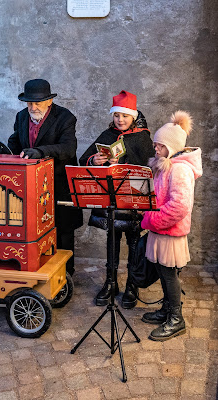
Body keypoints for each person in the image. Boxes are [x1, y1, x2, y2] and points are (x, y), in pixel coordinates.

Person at [79, 90, 154, 308]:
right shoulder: (107, 135)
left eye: (125, 116)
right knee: (112, 240)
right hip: (111, 199)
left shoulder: (142, 137)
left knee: (132, 242)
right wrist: (95, 160)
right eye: (116, 116)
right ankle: (111, 282)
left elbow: (149, 168)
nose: (120, 120)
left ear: (133, 116)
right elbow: (85, 159)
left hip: (133, 201)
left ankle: (132, 284)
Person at [7, 78, 83, 276]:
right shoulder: (22, 117)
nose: (32, 107)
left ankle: (66, 275)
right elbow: (15, 141)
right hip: (32, 187)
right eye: (29, 102)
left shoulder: (65, 118)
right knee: (36, 231)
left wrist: (40, 152)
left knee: (63, 232)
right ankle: (41, 272)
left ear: (49, 101)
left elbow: (68, 149)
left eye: (37, 102)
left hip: (59, 184)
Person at [141, 111, 202, 341]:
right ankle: (167, 310)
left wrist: (152, 220)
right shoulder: (165, 165)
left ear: (172, 146)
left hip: (169, 232)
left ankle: (177, 320)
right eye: (156, 145)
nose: (155, 149)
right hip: (160, 230)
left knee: (169, 276)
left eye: (160, 145)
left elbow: (179, 206)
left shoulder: (180, 169)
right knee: (162, 271)